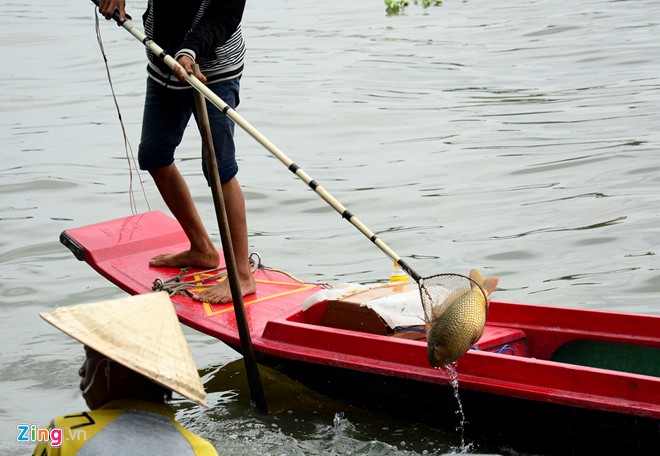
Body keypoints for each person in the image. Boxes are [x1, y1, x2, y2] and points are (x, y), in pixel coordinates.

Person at [98, 0, 256, 304]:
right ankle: (202, 249)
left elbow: (223, 15)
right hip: (163, 63)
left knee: (218, 167)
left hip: (214, 68)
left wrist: (189, 52)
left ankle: (241, 275)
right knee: (154, 155)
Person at [33, 292, 218, 455]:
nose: (81, 370)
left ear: (119, 370)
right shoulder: (201, 450)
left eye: (89, 356)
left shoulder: (65, 433)